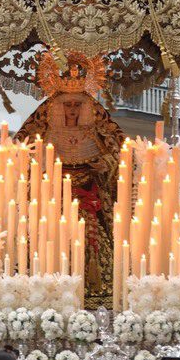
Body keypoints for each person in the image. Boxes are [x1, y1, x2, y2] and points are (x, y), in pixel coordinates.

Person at [14, 52, 126, 309]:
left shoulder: (98, 128)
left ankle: (97, 291)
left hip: (90, 193)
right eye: (67, 105)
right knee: (49, 240)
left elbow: (122, 155)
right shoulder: (41, 127)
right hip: (52, 195)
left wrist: (105, 164)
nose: (72, 110)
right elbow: (20, 153)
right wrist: (39, 168)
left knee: (92, 240)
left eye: (77, 105)